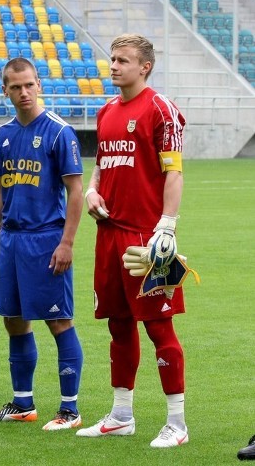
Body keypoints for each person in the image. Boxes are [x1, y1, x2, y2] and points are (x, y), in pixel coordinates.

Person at [78, 34, 190, 448]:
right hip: (108, 236)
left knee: (160, 327)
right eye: (112, 59)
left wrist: (167, 226)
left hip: (146, 238)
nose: (113, 66)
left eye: (122, 60)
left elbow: (174, 171)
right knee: (118, 325)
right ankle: (121, 414)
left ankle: (176, 423)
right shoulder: (106, 110)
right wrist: (92, 190)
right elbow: (101, 163)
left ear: (145, 66)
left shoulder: (161, 110)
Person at [0, 57, 85, 430]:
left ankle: (70, 409)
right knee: (13, 321)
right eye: (15, 87)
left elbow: (75, 192)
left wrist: (67, 242)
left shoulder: (58, 132)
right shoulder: (2, 134)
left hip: (45, 239)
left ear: (39, 84)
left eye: (29, 85)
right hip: (11, 240)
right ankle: (23, 403)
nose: (23, 93)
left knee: (58, 321)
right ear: (4, 90)